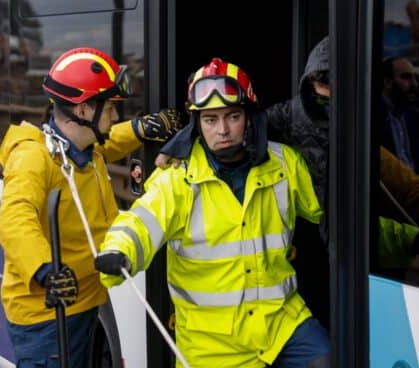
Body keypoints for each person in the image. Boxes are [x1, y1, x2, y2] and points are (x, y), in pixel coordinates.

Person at [155, 37, 419, 328]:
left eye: (336, 87)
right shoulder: (284, 119)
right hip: (302, 255)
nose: (327, 97)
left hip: (347, 247)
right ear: (308, 84)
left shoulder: (359, 135)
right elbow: (228, 126)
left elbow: (413, 189)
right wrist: (181, 143)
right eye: (321, 86)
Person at [95, 58, 331, 368]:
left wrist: (394, 242)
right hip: (211, 344)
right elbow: (140, 221)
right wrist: (119, 251)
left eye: (233, 116)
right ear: (197, 124)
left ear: (249, 117)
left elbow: (334, 216)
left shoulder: (284, 163)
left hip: (282, 324)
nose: (223, 130)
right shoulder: (177, 179)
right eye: (210, 119)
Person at [0, 47, 181, 368]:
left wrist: (142, 128)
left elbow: (108, 142)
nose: (115, 116)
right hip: (47, 316)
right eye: (109, 108)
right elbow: (15, 220)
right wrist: (46, 270)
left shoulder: (82, 149)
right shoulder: (33, 158)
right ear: (83, 111)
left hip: (84, 300)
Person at [380, 56, 419, 182]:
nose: (415, 84)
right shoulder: (373, 115)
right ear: (387, 82)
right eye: (406, 77)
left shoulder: (411, 116)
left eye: (414, 77)